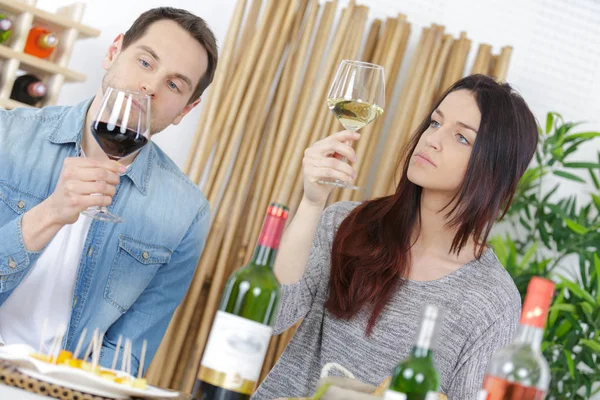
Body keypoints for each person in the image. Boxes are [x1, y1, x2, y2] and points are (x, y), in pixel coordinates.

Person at [253, 74, 539, 399]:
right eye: (435, 123)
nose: (432, 139)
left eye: (462, 137)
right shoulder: (347, 223)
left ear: (495, 169)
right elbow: (268, 317)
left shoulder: (491, 303)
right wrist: (312, 202)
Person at [0, 7, 218, 376]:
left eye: (174, 85)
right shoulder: (8, 136)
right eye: (146, 62)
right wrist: (50, 213)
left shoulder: (186, 214)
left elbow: (128, 353)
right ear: (114, 52)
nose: (150, 86)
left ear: (187, 108)